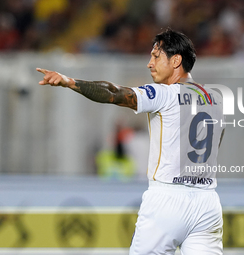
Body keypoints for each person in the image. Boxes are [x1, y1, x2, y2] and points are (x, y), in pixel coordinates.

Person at [37, 28, 225, 255]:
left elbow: (114, 93)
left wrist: (70, 82)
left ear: (176, 60)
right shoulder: (215, 99)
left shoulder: (164, 94)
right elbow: (216, 142)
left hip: (167, 200)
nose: (149, 63)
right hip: (207, 204)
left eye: (156, 56)